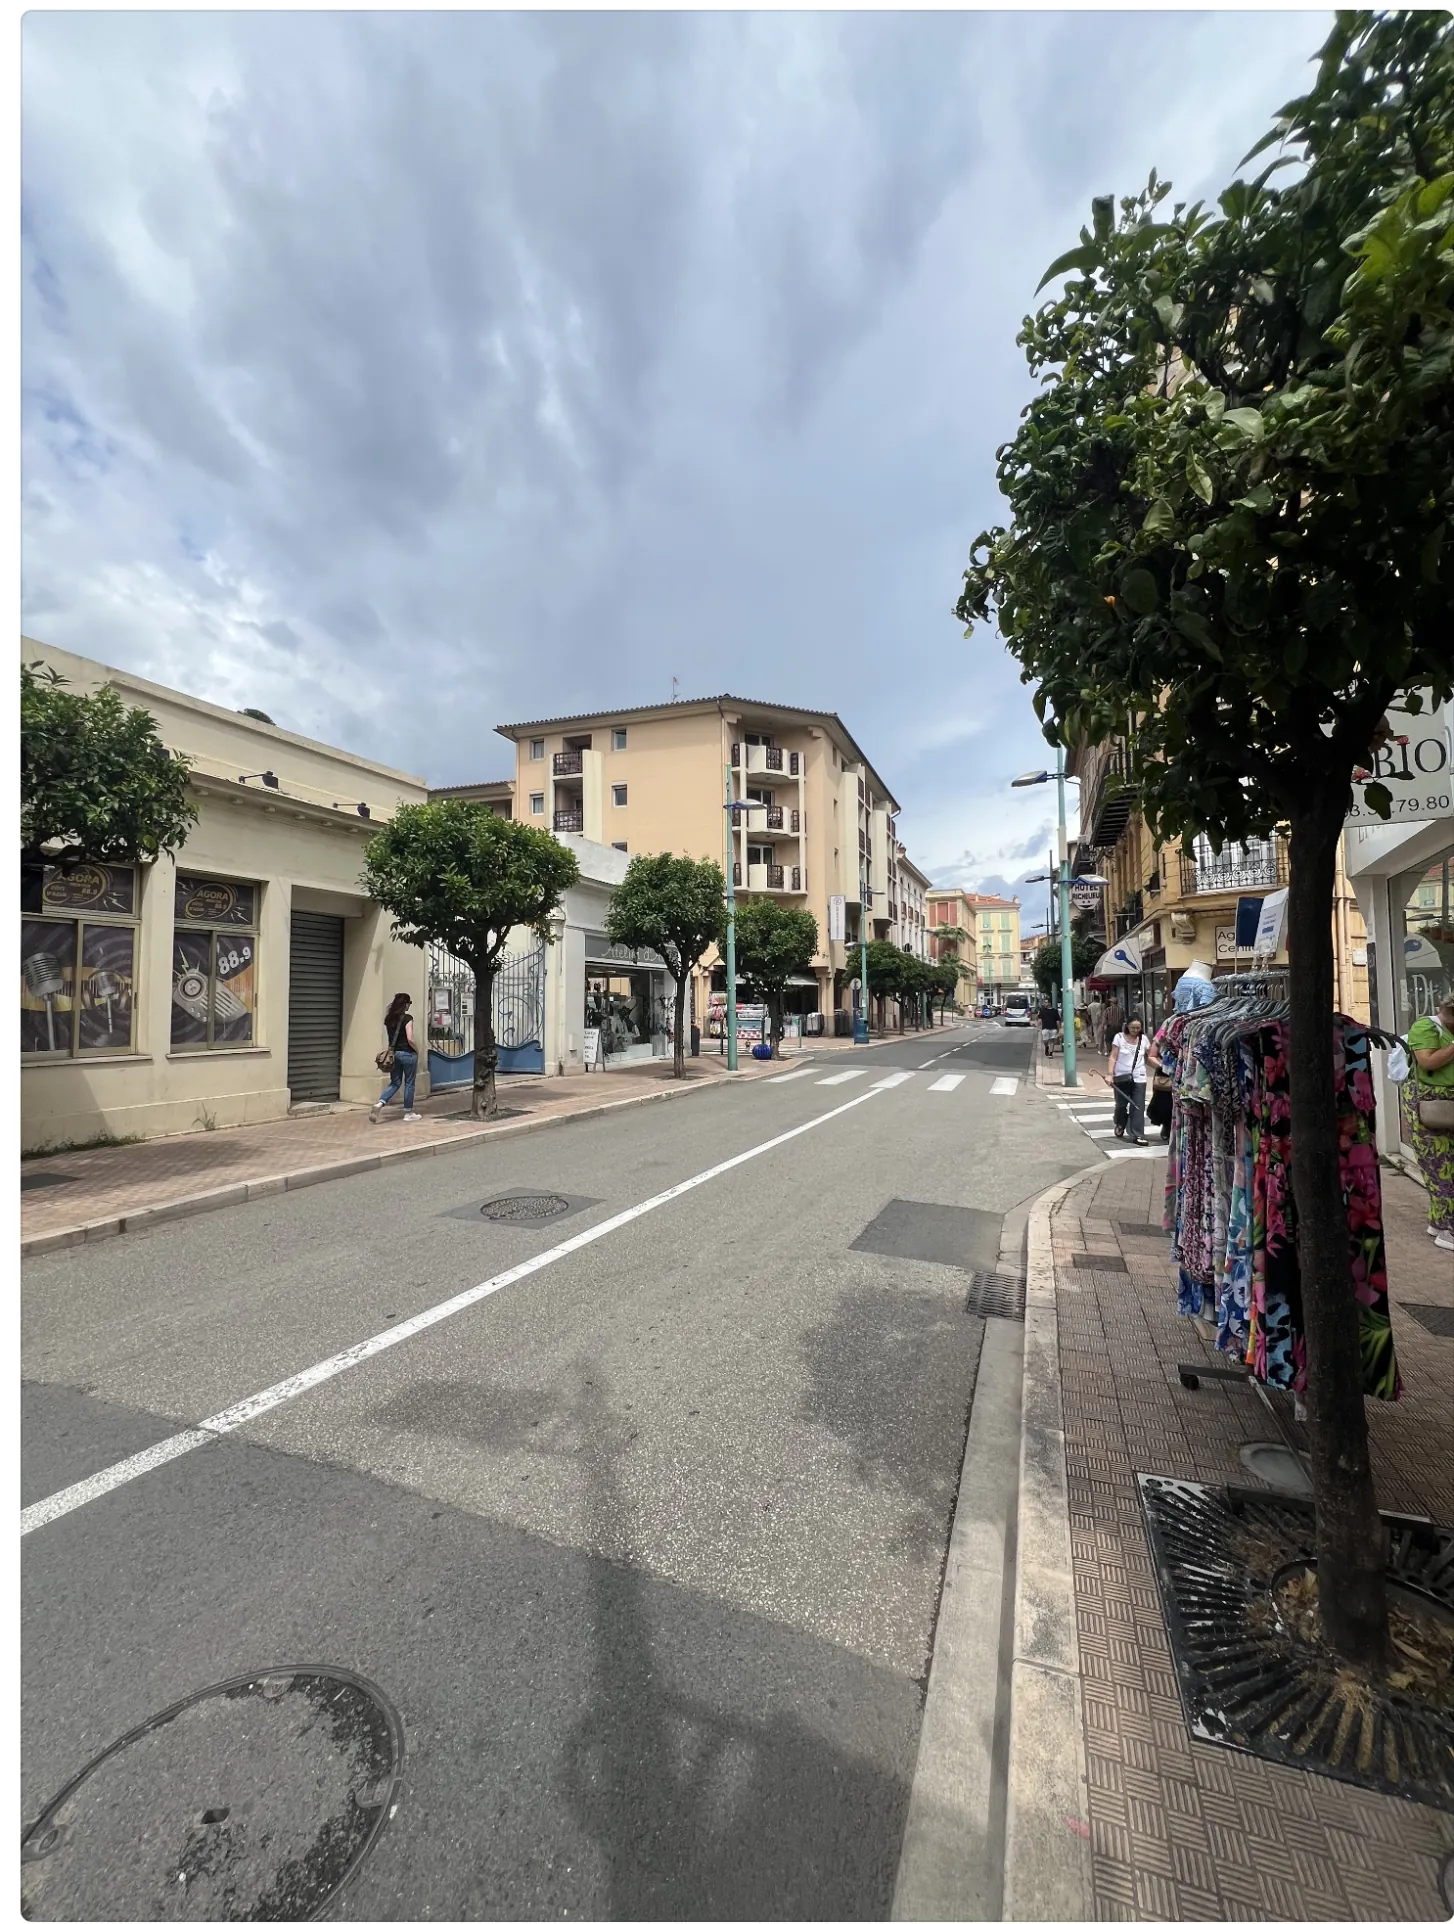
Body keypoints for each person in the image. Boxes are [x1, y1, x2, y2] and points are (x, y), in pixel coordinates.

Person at [1406, 992, 1454, 1251]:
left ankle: (1438, 1223)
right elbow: (1427, 1062)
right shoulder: (1425, 1027)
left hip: (1448, 1107)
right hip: (1430, 1109)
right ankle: (1449, 1231)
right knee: (1441, 1169)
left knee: (1447, 1168)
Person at [371, 991, 422, 1122]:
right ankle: (408, 1113)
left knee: (395, 1082)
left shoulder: (389, 1020)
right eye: (409, 1003)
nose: (409, 1006)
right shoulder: (407, 1018)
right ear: (405, 1004)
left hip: (394, 1055)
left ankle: (380, 1103)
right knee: (409, 1083)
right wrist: (417, 1050)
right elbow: (410, 1038)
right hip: (408, 1054)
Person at [1109, 1014, 1150, 1143]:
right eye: (1133, 1028)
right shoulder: (1119, 1038)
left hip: (1139, 1077)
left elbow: (1150, 1057)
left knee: (1138, 1106)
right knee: (1121, 1105)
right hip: (1121, 1077)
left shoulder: (1144, 1039)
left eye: (1138, 1028)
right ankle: (1120, 1123)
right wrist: (1110, 1074)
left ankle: (1137, 1134)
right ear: (1127, 1026)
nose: (1135, 1031)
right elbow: (1113, 1057)